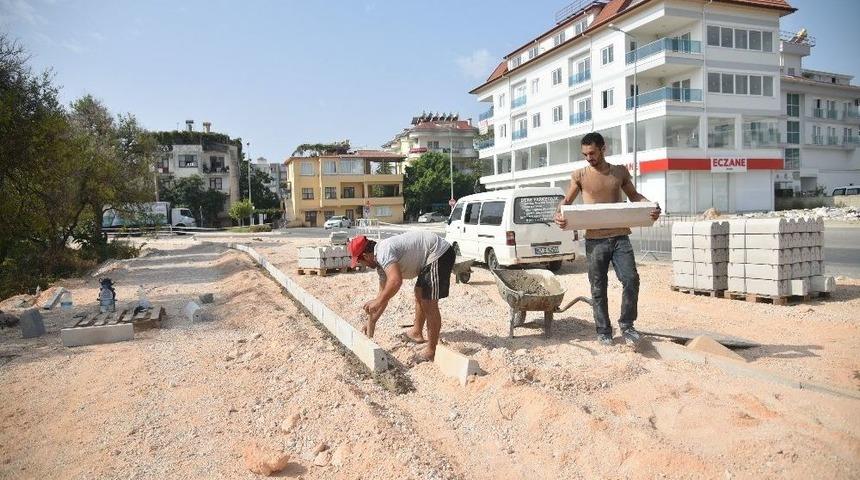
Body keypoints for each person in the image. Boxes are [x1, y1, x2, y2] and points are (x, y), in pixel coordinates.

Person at [553, 132, 661, 346]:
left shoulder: (619, 172)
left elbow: (635, 196)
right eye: (585, 154)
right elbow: (566, 202)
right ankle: (603, 330)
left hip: (621, 237)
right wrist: (559, 215)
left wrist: (651, 206)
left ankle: (627, 325)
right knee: (598, 287)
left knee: (631, 279)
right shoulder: (579, 175)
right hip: (595, 240)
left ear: (604, 149)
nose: (589, 158)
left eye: (592, 153)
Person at [347, 231, 455, 361]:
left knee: (428, 302)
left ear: (365, 255)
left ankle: (432, 351)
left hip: (439, 252)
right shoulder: (381, 265)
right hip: (427, 257)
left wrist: (377, 301)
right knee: (419, 293)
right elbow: (383, 296)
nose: (362, 265)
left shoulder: (383, 252)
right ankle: (416, 333)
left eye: (359, 261)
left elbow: (395, 281)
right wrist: (372, 321)